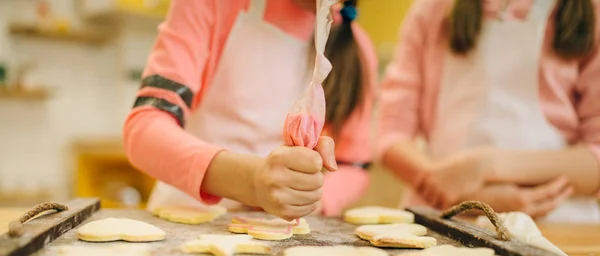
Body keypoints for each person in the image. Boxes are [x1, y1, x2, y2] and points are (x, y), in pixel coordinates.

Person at [123, 0, 377, 221]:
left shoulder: (356, 47)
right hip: (186, 216)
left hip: (281, 235)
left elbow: (353, 165)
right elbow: (144, 129)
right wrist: (252, 181)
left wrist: (311, 196)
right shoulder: (212, 4)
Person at [377, 0, 600, 223]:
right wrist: (463, 195)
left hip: (558, 224)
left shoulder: (592, 11)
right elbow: (390, 133)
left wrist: (486, 166)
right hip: (442, 217)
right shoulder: (434, 8)